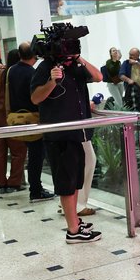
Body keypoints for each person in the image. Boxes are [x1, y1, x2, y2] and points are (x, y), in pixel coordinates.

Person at [30, 40, 103, 244]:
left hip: (78, 133)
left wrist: (78, 58)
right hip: (59, 135)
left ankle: (75, 222)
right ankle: (73, 230)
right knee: (66, 183)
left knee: (75, 181)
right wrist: (52, 81)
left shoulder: (75, 67)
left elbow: (98, 76)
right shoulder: (45, 67)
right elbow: (35, 98)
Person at [8, 43, 54, 203]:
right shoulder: (33, 73)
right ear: (35, 55)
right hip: (33, 118)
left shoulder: (11, 71)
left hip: (17, 118)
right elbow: (36, 97)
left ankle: (36, 187)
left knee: (31, 155)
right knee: (37, 156)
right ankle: (36, 190)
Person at [0, 49, 26, 194]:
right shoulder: (16, 74)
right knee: (18, 151)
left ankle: (2, 183)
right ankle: (14, 183)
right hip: (11, 116)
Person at [120, 47, 140, 112]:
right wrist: (128, 80)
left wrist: (136, 63)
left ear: (138, 55)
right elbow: (121, 75)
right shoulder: (126, 63)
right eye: (129, 54)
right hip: (131, 89)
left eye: (132, 55)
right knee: (131, 107)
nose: (130, 56)